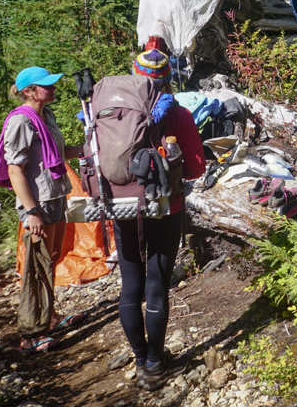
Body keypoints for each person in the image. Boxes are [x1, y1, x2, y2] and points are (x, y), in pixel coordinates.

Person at [113, 46, 206, 391]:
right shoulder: (178, 114)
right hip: (167, 207)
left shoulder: (114, 112)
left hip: (123, 207)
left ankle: (139, 358)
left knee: (130, 287)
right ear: (168, 80)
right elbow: (195, 168)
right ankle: (154, 364)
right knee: (156, 287)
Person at [0, 66, 88, 353]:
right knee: (36, 266)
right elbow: (15, 169)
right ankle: (30, 335)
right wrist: (31, 211)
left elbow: (57, 153)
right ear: (29, 91)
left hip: (55, 196)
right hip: (38, 203)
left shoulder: (46, 115)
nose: (53, 88)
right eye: (46, 85)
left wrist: (88, 149)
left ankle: (50, 317)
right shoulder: (21, 121)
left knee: (51, 258)